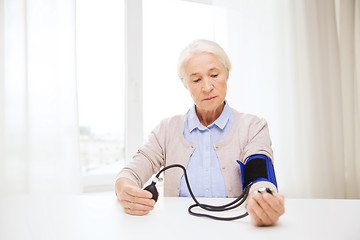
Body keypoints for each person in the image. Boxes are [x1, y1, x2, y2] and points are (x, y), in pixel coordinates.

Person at [115, 39, 285, 226]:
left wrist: (264, 199)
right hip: (178, 230)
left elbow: (260, 176)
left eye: (214, 75)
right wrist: (124, 188)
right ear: (185, 84)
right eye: (196, 79)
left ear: (227, 74)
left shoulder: (253, 126)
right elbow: (132, 172)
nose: (207, 87)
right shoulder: (166, 129)